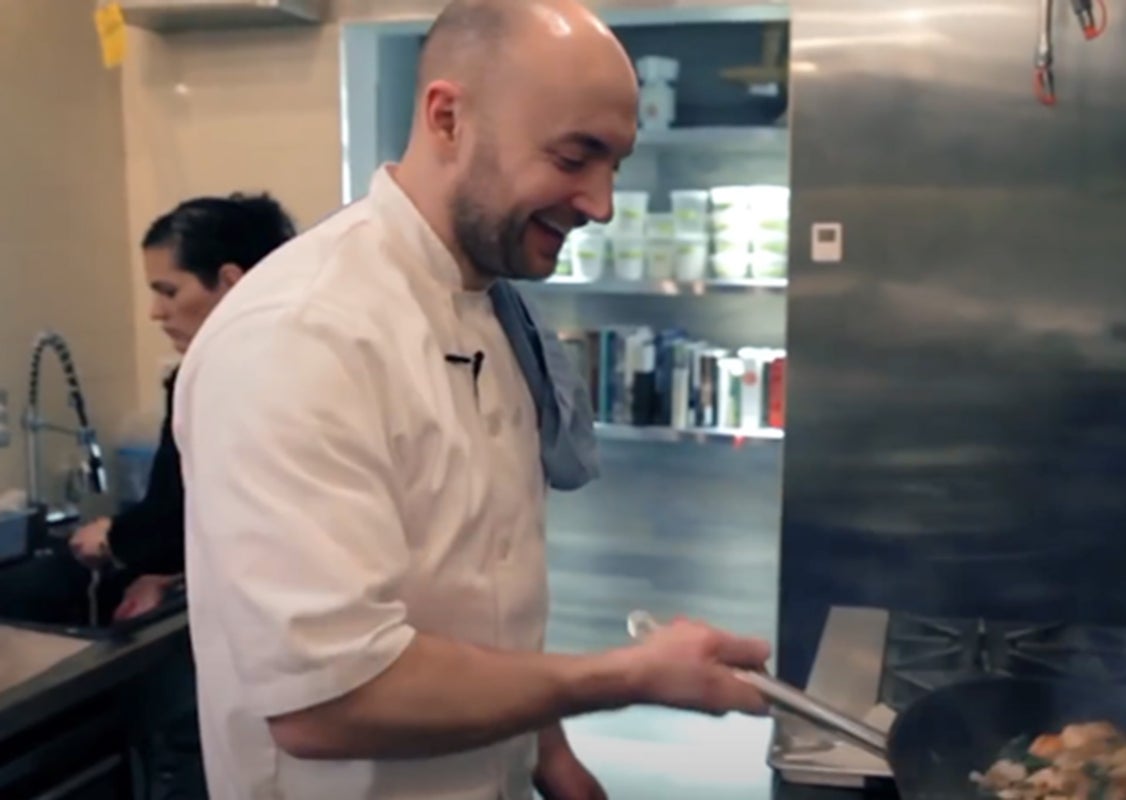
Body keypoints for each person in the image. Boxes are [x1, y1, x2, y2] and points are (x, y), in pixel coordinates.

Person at [172, 1, 772, 798]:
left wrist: (552, 760)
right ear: (448, 118)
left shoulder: (493, 308)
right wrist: (626, 675)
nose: (601, 204)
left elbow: (484, 590)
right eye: (574, 157)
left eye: (615, 165)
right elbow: (325, 703)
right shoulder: (298, 335)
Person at [69, 192, 296, 620]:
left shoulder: (214, 380)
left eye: (169, 292)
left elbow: (176, 518)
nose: (156, 312)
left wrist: (113, 538)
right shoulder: (300, 359)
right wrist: (175, 573)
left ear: (231, 282)